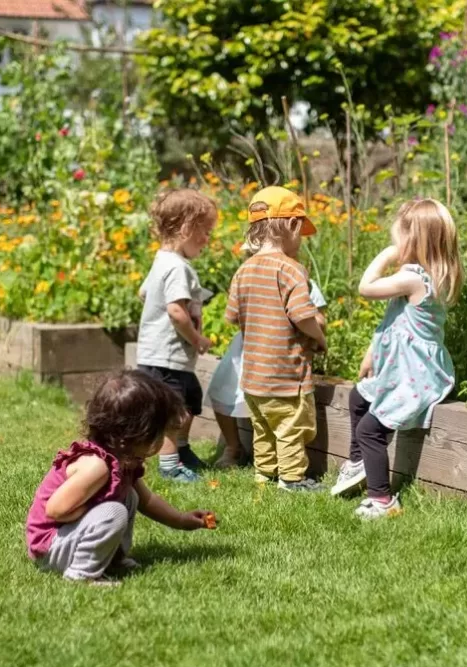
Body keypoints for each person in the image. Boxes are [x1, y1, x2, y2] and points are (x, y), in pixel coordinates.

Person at [330, 199, 464, 518]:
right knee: (358, 396)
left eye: (396, 240)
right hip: (404, 370)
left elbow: (366, 287)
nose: (393, 246)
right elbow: (393, 320)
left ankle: (383, 501)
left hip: (415, 378)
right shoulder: (422, 276)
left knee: (370, 430)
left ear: (412, 241)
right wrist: (371, 353)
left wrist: (387, 255)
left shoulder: (415, 279)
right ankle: (359, 461)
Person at [25, 370, 217, 584]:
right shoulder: (96, 467)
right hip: (50, 545)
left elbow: (147, 501)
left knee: (129, 497)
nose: (161, 442)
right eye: (158, 435)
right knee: (114, 510)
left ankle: (113, 558)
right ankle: (81, 574)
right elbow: (55, 510)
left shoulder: (125, 461)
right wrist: (98, 508)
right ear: (135, 434)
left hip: (69, 536)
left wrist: (181, 520)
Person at [225, 186, 328, 491]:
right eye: (301, 231)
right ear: (292, 225)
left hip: (253, 376)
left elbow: (232, 316)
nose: (302, 239)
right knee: (290, 427)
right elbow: (302, 315)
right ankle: (292, 479)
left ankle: (264, 474)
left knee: (263, 428)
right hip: (285, 375)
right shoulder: (291, 269)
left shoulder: (243, 270)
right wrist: (319, 336)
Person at [208, 270, 328, 469]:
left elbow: (320, 321)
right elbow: (233, 314)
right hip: (249, 344)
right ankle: (234, 447)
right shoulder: (249, 276)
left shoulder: (304, 282)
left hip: (282, 349)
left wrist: (309, 322)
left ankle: (280, 464)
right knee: (221, 389)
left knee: (281, 411)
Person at [136, 189, 217, 482]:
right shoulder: (178, 268)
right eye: (205, 232)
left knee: (191, 399)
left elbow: (143, 292)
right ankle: (170, 465)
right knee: (172, 413)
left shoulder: (162, 260)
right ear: (186, 229)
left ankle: (181, 450)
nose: (207, 240)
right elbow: (176, 312)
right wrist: (197, 339)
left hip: (164, 355)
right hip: (166, 356)